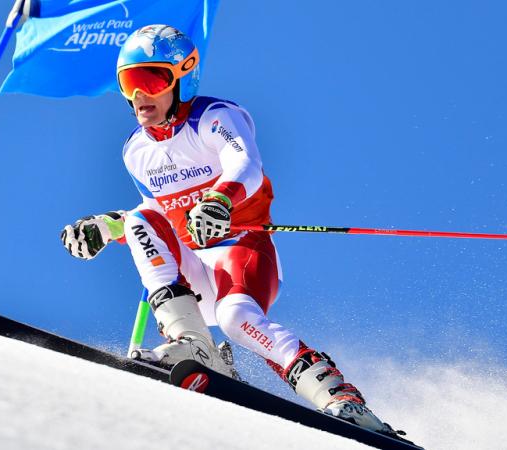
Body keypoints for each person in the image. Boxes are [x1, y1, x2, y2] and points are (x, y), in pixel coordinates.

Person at [61, 24, 396, 435]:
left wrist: (220, 200)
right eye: (129, 83)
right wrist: (107, 226)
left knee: (236, 317)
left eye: (151, 79)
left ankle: (342, 401)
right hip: (192, 277)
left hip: (243, 251)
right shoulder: (136, 151)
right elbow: (154, 210)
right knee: (139, 222)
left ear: (183, 77)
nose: (139, 95)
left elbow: (246, 166)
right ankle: (196, 347)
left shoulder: (215, 118)